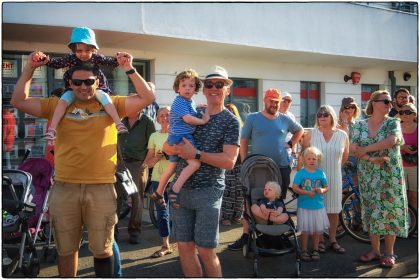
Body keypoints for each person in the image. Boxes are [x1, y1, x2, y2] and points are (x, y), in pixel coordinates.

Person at [11, 51, 155, 277]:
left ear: (97, 82)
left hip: (101, 188)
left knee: (102, 249)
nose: (83, 86)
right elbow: (18, 100)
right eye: (77, 82)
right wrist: (29, 68)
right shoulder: (57, 105)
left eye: (89, 82)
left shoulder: (112, 104)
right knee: (66, 250)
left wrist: (129, 68)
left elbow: (147, 97)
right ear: (69, 83)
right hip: (64, 187)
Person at [163, 65, 240, 277]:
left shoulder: (230, 121)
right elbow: (169, 142)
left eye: (220, 84)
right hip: (181, 191)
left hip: (208, 192)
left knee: (206, 249)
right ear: (203, 89)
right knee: (184, 246)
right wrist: (167, 148)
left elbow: (229, 161)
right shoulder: (193, 112)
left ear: (227, 89)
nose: (214, 88)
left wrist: (195, 154)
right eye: (210, 84)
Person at [228, 88, 303, 251]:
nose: (274, 104)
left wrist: (291, 144)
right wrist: (244, 162)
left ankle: (274, 235)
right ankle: (247, 235)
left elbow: (300, 130)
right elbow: (244, 139)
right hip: (257, 167)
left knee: (277, 201)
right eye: (271, 101)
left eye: (277, 102)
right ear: (264, 100)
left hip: (281, 166)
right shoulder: (253, 118)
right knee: (251, 200)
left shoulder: (284, 119)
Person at [33, 26, 128, 143]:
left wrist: (120, 58)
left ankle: (118, 124)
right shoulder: (70, 58)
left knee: (105, 98)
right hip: (74, 88)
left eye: (87, 51)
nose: (83, 54)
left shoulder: (96, 58)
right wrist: (45, 59)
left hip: (95, 87)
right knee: (62, 101)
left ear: (93, 50)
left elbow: (111, 62)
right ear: (74, 50)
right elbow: (56, 63)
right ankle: (52, 130)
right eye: (79, 51)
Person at [351, 90, 408, 268]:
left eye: (390, 102)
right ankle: (375, 250)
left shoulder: (393, 122)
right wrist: (370, 158)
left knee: (389, 211)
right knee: (371, 211)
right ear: (374, 102)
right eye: (385, 101)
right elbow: (354, 147)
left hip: (389, 175)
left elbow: (392, 140)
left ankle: (389, 253)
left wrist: (367, 150)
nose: (389, 104)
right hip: (368, 175)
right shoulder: (359, 125)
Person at [152, 69, 209, 208]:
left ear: (195, 88)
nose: (187, 88)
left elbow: (192, 111)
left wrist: (199, 107)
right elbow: (188, 119)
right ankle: (174, 190)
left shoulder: (189, 102)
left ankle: (158, 193)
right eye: (184, 86)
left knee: (171, 168)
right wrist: (203, 121)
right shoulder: (179, 102)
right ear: (178, 88)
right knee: (195, 164)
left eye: (191, 85)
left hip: (176, 137)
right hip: (181, 138)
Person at [300, 105, 349, 254]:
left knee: (333, 211)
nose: (322, 116)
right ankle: (320, 240)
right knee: (317, 210)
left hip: (334, 177)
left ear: (332, 116)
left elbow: (345, 156)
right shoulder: (311, 134)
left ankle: (332, 239)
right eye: (319, 114)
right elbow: (303, 154)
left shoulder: (342, 135)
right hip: (314, 178)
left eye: (326, 114)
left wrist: (334, 169)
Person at [117, 106, 156, 244]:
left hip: (138, 164)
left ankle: (134, 231)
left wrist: (144, 164)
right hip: (119, 163)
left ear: (139, 107)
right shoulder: (120, 119)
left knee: (136, 199)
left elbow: (152, 145)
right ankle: (113, 231)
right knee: (115, 197)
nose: (127, 106)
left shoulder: (147, 121)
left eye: (131, 104)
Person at [143, 106, 174, 258]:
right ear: (157, 119)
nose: (165, 118)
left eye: (168, 115)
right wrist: (158, 156)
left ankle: (186, 244)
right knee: (162, 213)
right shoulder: (154, 136)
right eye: (161, 115)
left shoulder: (178, 134)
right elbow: (147, 163)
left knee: (182, 212)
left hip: (176, 179)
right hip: (157, 179)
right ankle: (165, 244)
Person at [292, 147, 329, 261]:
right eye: (309, 159)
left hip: (318, 206)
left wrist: (322, 190)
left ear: (317, 160)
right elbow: (295, 188)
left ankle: (315, 249)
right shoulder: (300, 173)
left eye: (314, 159)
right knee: (306, 230)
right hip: (305, 206)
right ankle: (303, 250)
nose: (312, 161)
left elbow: (327, 187)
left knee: (317, 230)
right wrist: (306, 192)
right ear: (304, 160)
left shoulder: (321, 173)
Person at [221, 103, 244, 226]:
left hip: (240, 164)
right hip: (226, 164)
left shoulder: (241, 128)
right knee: (228, 192)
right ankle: (226, 218)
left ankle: (237, 216)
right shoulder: (221, 128)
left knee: (240, 192)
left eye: (231, 111)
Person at [398, 103, 418, 214]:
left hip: (415, 166)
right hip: (398, 165)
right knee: (401, 195)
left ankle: (414, 224)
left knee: (414, 195)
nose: (404, 114)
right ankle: (404, 222)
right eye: (401, 112)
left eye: (407, 112)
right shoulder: (396, 127)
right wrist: (403, 147)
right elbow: (389, 143)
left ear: (414, 115)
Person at [337, 97, 361, 182]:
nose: (350, 109)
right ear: (343, 108)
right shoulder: (337, 124)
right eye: (348, 107)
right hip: (344, 157)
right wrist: (344, 122)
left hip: (357, 157)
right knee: (344, 185)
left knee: (356, 185)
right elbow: (344, 140)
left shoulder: (358, 124)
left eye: (353, 107)